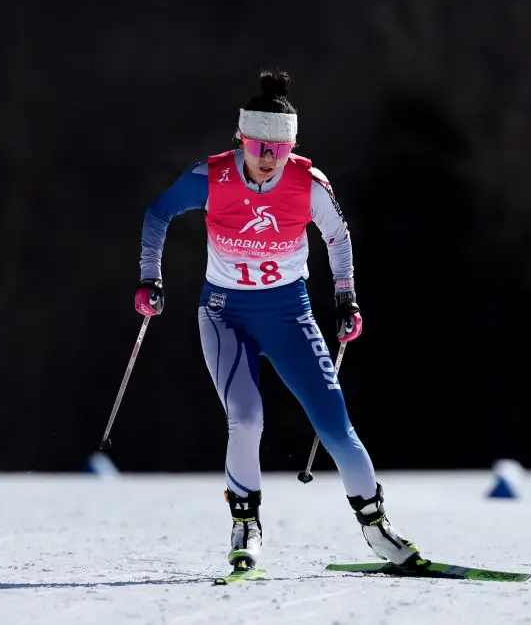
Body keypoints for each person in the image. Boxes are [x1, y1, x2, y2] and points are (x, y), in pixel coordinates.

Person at [133, 69, 425, 572]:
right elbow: (158, 213)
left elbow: (338, 237)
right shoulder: (212, 176)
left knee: (336, 426)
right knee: (246, 418)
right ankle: (246, 526)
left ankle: (378, 528)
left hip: (290, 314)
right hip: (225, 314)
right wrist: (149, 278)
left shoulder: (308, 184)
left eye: (278, 149)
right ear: (241, 139)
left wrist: (346, 299)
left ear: (291, 148)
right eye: (257, 145)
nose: (267, 159)